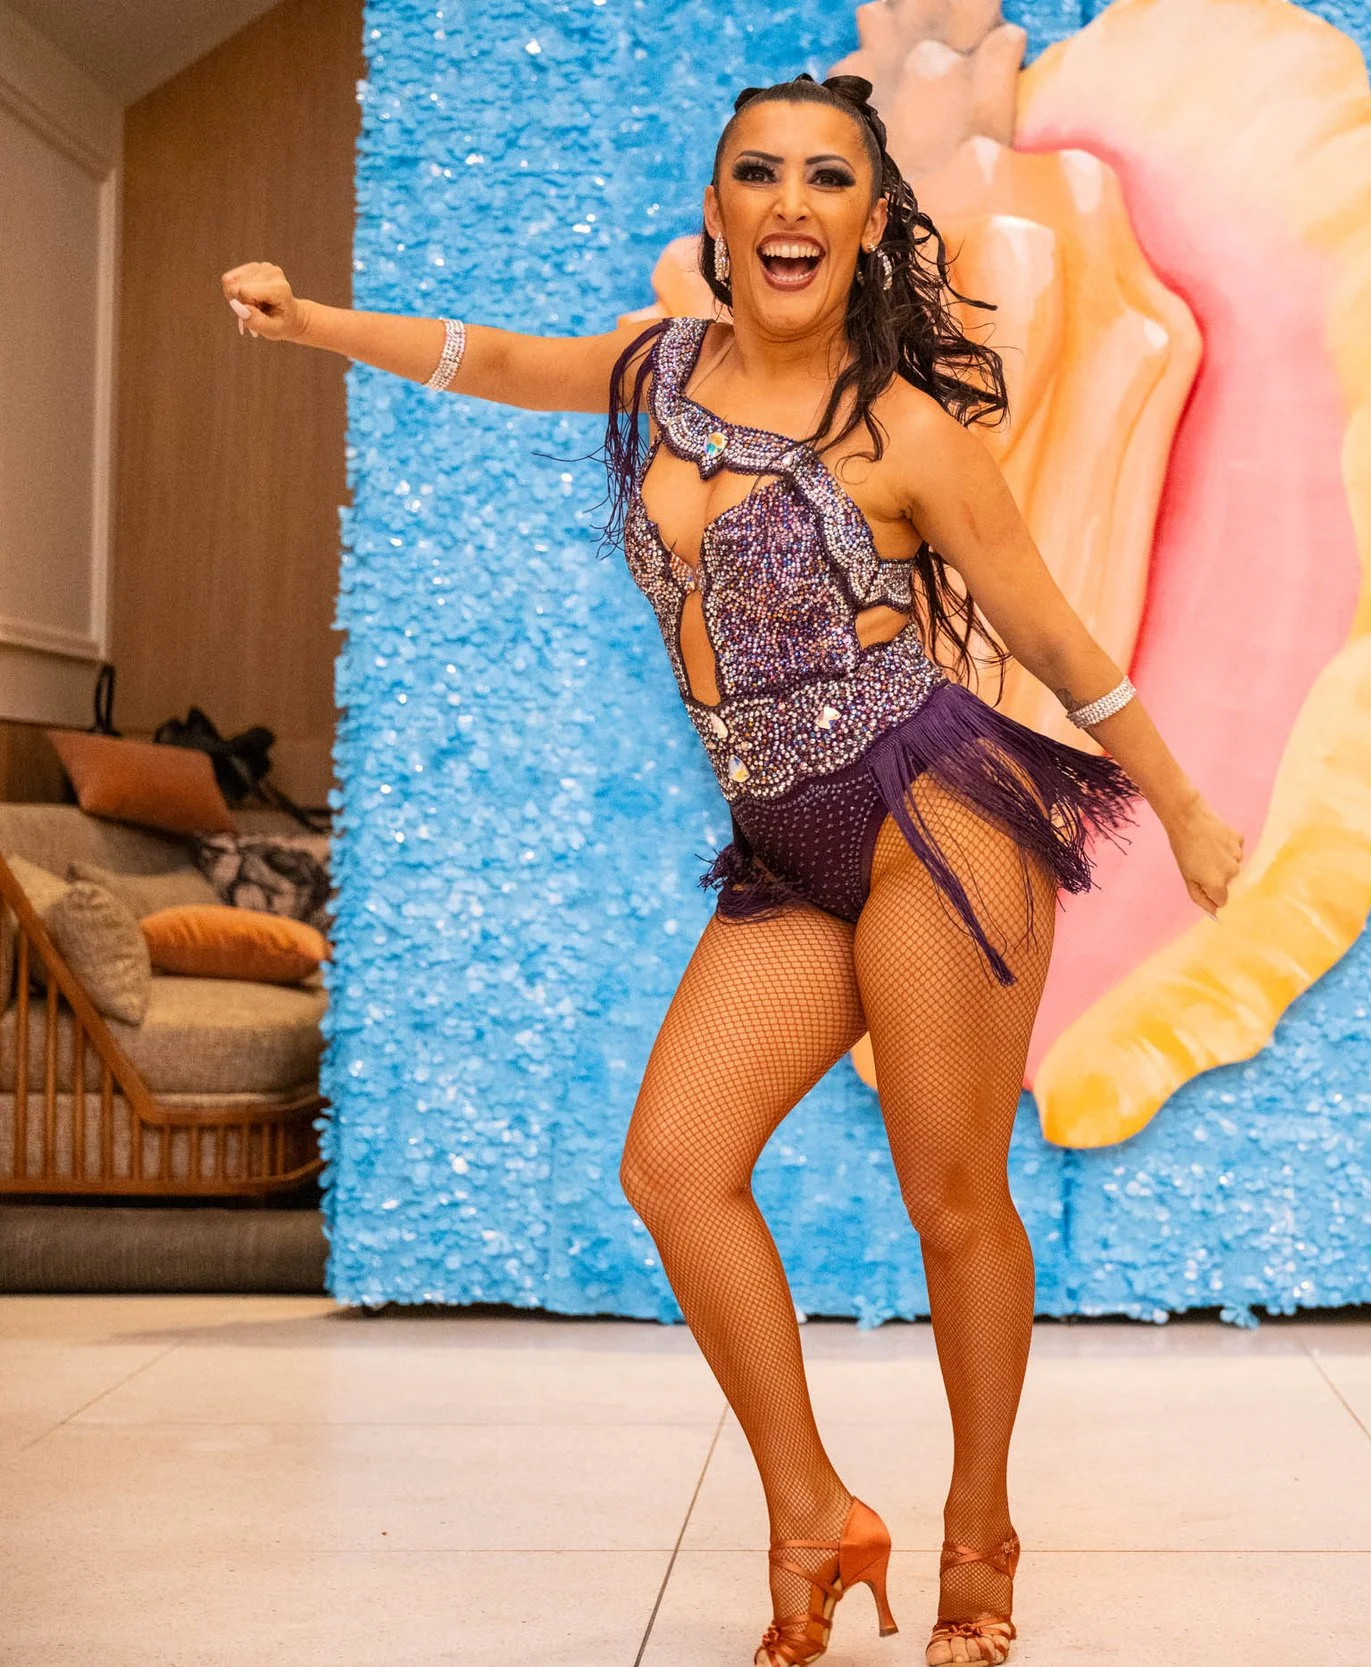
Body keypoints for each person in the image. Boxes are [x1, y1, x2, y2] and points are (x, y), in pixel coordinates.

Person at [225, 71, 1242, 1667]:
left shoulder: (905, 431)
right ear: (716, 213)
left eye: (825, 179)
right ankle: (814, 1509)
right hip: (787, 844)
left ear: (873, 223)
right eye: (755, 174)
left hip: (936, 822)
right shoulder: (656, 373)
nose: (787, 202)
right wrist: (309, 322)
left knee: (950, 1194)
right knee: (675, 1166)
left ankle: (981, 1537)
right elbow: (483, 359)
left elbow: (1052, 632)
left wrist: (1181, 805)